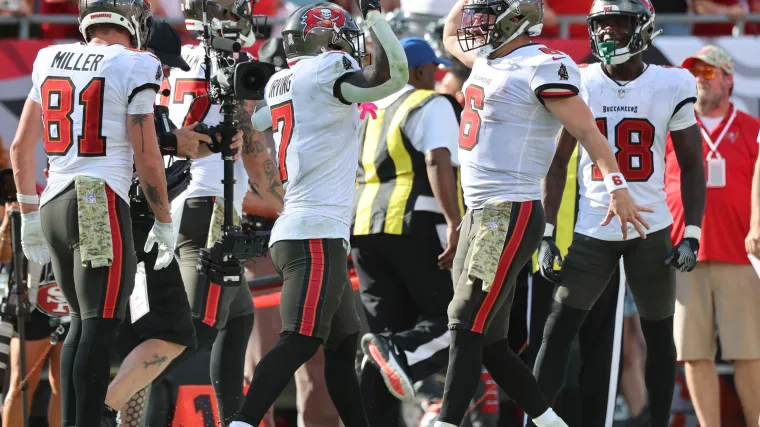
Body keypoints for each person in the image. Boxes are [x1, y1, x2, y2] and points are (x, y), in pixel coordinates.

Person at [437, 0, 651, 425]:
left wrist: (616, 185)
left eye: (485, 11)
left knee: (464, 319)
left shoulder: (540, 64)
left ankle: (445, 421)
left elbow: (586, 129)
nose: (475, 21)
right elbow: (447, 34)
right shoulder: (485, 57)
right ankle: (551, 422)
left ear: (516, 17)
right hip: (479, 212)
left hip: (507, 211)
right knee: (492, 342)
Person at [230, 0, 409, 425]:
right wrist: (375, 18)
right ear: (330, 39)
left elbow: (256, 123)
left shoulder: (283, 82)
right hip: (315, 234)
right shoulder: (327, 70)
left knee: (344, 346)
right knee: (298, 339)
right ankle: (240, 422)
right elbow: (394, 75)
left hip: (301, 229)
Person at [531, 2, 707, 427]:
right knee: (556, 333)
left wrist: (692, 233)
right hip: (594, 229)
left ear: (644, 29)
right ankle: (533, 419)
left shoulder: (670, 83)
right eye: (601, 25)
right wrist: (548, 231)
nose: (608, 33)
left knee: (659, 337)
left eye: (619, 23)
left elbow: (691, 164)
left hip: (652, 229)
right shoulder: (582, 79)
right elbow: (556, 166)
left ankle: (659, 422)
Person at [10, 0, 175, 423]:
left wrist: (29, 215)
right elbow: (148, 155)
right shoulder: (138, 64)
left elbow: (20, 148)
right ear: (135, 22)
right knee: (99, 325)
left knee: (81, 324)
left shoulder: (48, 57)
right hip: (94, 200)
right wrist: (164, 219)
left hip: (53, 201)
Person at [166, 0, 283, 423]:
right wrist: (288, 209)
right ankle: (123, 402)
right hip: (210, 206)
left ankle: (234, 419)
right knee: (194, 330)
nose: (244, 19)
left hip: (185, 197)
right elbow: (253, 155)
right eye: (236, 10)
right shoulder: (232, 62)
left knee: (237, 320)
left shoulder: (179, 58)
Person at [352, 36, 462, 425]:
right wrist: (454, 222)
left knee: (378, 345)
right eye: (434, 69)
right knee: (458, 324)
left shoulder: (364, 110)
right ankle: (401, 352)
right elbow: (437, 160)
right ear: (417, 71)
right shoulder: (429, 102)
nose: (437, 76)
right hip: (416, 223)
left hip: (363, 228)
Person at [242, 37, 341, 427]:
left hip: (304, 237)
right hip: (261, 245)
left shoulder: (319, 112)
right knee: (263, 359)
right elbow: (234, 196)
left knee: (314, 359)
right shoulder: (251, 119)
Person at [668, 45, 760, 427]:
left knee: (749, 351)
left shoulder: (752, 128)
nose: (700, 80)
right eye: (695, 73)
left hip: (741, 252)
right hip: (686, 251)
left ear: (729, 79)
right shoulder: (674, 124)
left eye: (708, 73)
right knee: (693, 352)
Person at [2, 165, 69, 427]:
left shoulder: (88, 198)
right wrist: (7, 227)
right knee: (20, 384)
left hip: (72, 306)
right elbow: (3, 257)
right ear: (47, 172)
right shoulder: (29, 200)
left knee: (64, 387)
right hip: (32, 306)